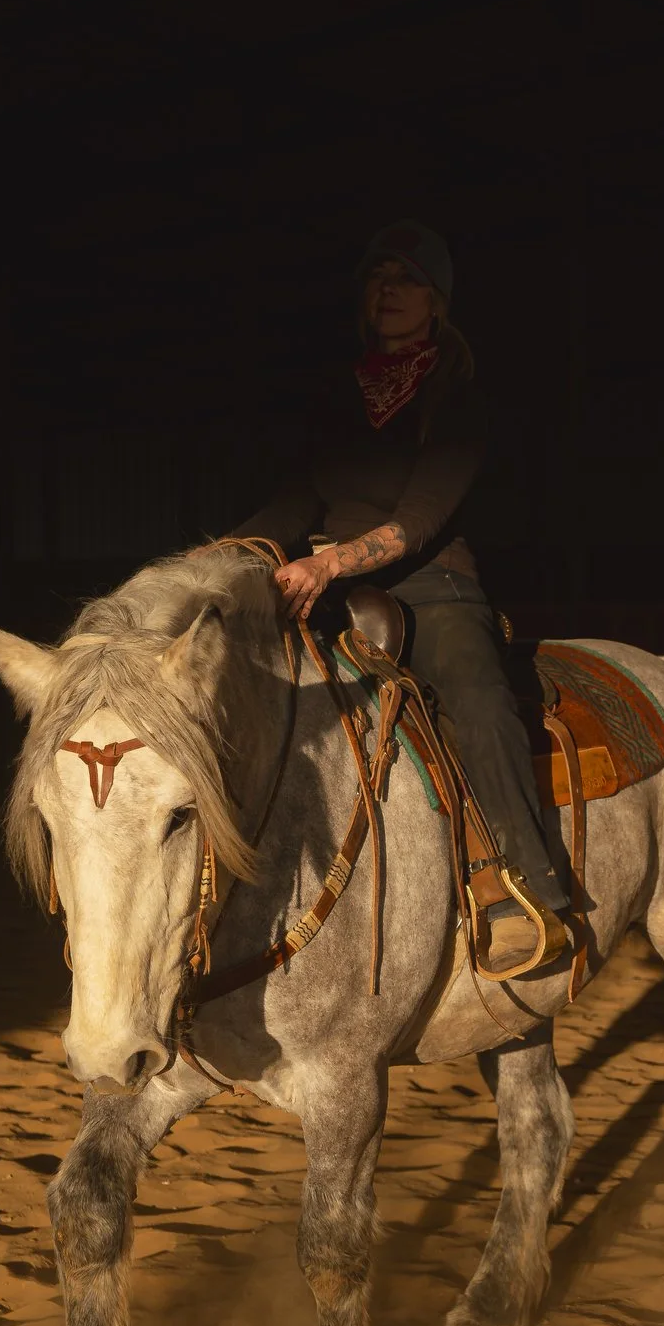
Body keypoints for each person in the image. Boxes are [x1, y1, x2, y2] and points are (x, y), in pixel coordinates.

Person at [236, 220, 572, 974]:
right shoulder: (337, 399)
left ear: (436, 302)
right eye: (377, 276)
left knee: (479, 702)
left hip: (429, 583)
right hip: (334, 588)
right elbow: (294, 501)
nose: (388, 290)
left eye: (407, 278)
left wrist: (329, 563)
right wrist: (224, 553)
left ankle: (528, 888)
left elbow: (419, 519)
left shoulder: (458, 400)